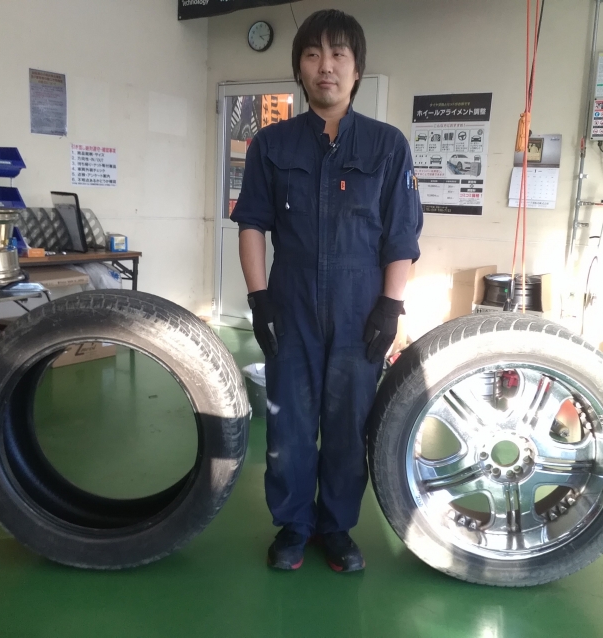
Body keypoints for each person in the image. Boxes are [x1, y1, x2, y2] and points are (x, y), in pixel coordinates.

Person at [230, 9, 423, 573]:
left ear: (357, 69)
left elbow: (401, 236)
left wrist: (390, 305)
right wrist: (259, 299)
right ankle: (294, 525)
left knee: (348, 423)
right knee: (288, 421)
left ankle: (336, 527)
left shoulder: (387, 145)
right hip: (290, 301)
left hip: (360, 307)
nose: (326, 67)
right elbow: (251, 225)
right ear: (300, 68)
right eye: (313, 54)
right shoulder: (271, 144)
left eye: (339, 54)